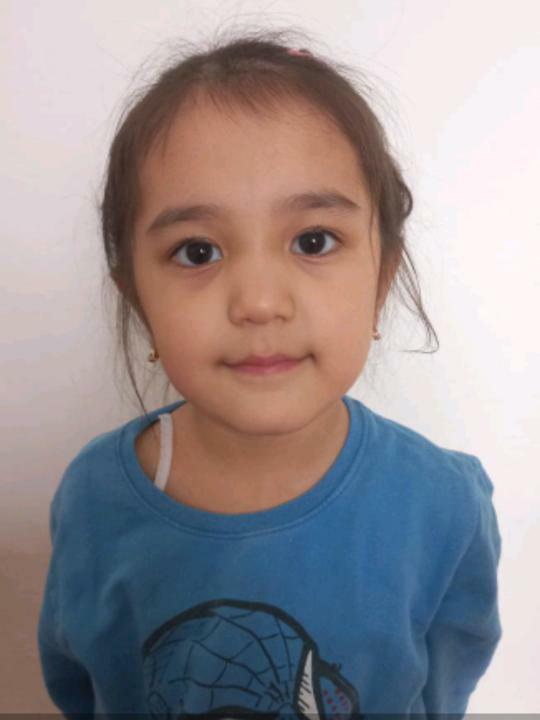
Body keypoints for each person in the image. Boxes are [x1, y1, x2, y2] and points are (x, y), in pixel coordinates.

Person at [37, 28, 502, 719]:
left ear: (381, 278)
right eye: (198, 251)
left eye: (314, 241)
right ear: (137, 299)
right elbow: (83, 685)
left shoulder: (444, 504)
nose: (258, 302)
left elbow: (443, 688)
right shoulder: (91, 499)